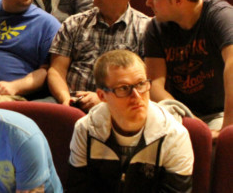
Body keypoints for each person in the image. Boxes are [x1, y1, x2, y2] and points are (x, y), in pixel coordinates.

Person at [68, 49, 194, 192]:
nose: (137, 96)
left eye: (141, 84)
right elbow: (77, 188)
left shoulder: (174, 135)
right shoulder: (85, 129)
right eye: (124, 88)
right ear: (102, 96)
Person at [145, 0, 233, 139]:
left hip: (221, 113)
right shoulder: (156, 27)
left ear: (178, 0)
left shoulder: (219, 15)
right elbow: (154, 84)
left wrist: (227, 129)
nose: (147, 3)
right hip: (179, 112)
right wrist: (188, 121)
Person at [48, 0, 149, 111]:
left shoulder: (145, 29)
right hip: (69, 103)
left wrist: (104, 101)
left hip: (120, 108)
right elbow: (56, 70)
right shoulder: (74, 23)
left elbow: (146, 84)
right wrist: (65, 99)